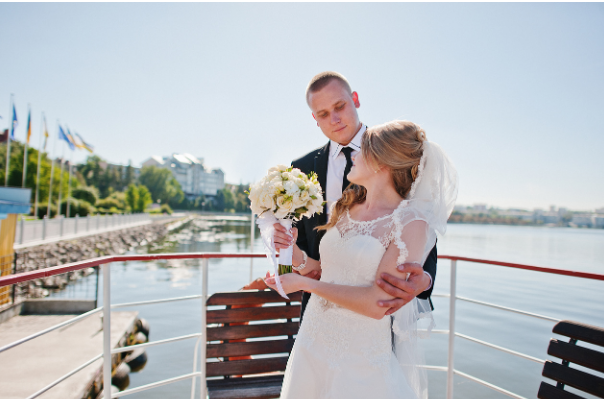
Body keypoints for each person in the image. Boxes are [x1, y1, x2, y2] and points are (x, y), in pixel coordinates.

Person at [265, 120, 458, 398]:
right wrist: (294, 255)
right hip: (312, 342)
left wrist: (305, 285)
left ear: (382, 163)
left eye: (361, 151)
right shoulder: (349, 205)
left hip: (359, 358)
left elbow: (376, 304)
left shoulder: (411, 223)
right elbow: (326, 271)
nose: (352, 155)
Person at [273, 72, 437, 321]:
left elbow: (419, 225)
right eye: (323, 114)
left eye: (340, 106)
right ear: (314, 119)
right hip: (319, 314)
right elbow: (307, 254)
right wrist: (286, 247)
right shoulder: (301, 168)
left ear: (355, 99)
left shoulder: (395, 152)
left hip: (384, 314)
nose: (335, 119)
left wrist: (424, 279)